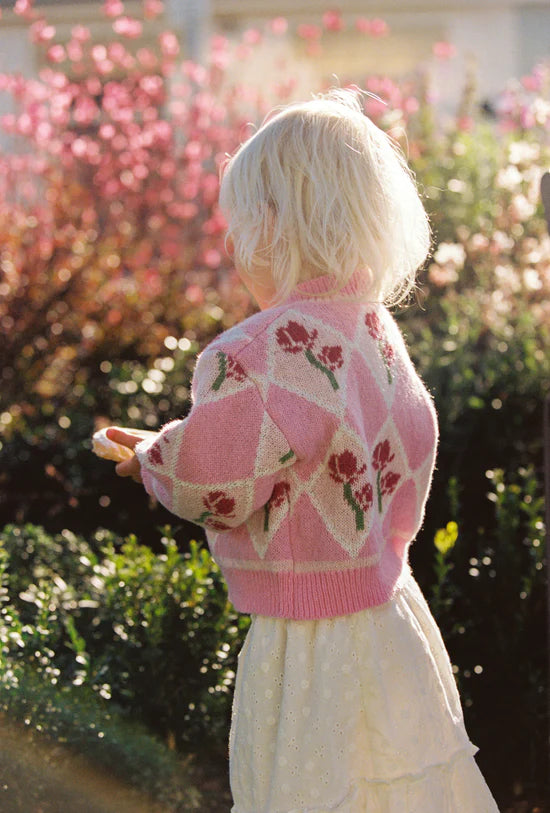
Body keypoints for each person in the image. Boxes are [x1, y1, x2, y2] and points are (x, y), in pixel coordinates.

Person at [106, 89, 499, 812]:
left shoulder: (260, 351)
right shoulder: (374, 333)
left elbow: (212, 479)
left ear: (274, 229)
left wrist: (153, 459)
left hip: (310, 638)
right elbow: (401, 443)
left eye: (238, 227)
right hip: (392, 622)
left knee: (311, 792)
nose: (230, 248)